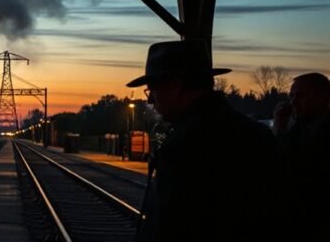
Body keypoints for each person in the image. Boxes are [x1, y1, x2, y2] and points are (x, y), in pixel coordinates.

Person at [130, 40, 280, 242]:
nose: (150, 100)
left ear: (176, 86)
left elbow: (169, 227)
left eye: (152, 90)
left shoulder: (183, 145)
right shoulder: (257, 134)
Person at [272, 72, 330, 241]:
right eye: (292, 96)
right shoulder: (297, 130)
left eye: (300, 96)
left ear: (323, 97)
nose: (293, 102)